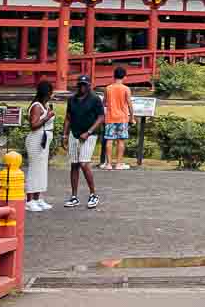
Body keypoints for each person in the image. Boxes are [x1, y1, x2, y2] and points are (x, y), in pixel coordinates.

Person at [62, 73, 103, 208]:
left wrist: (89, 131)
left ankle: (93, 194)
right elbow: (68, 117)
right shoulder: (72, 99)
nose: (82, 87)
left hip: (89, 135)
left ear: (89, 85)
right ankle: (74, 196)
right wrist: (65, 135)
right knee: (74, 164)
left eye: (84, 85)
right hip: (75, 133)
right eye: (80, 85)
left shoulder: (95, 99)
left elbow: (101, 117)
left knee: (84, 163)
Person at [24, 80, 55, 210]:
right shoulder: (37, 106)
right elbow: (34, 125)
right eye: (51, 92)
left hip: (44, 139)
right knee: (35, 169)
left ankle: (38, 198)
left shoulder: (45, 105)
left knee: (42, 169)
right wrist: (47, 117)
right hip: (36, 139)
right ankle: (29, 200)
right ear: (47, 93)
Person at [100, 66, 133, 170]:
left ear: (113, 76)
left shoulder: (108, 88)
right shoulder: (126, 89)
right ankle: (119, 164)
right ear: (125, 77)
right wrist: (132, 117)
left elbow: (104, 103)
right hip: (122, 117)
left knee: (109, 140)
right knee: (121, 141)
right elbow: (129, 105)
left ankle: (109, 164)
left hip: (110, 117)